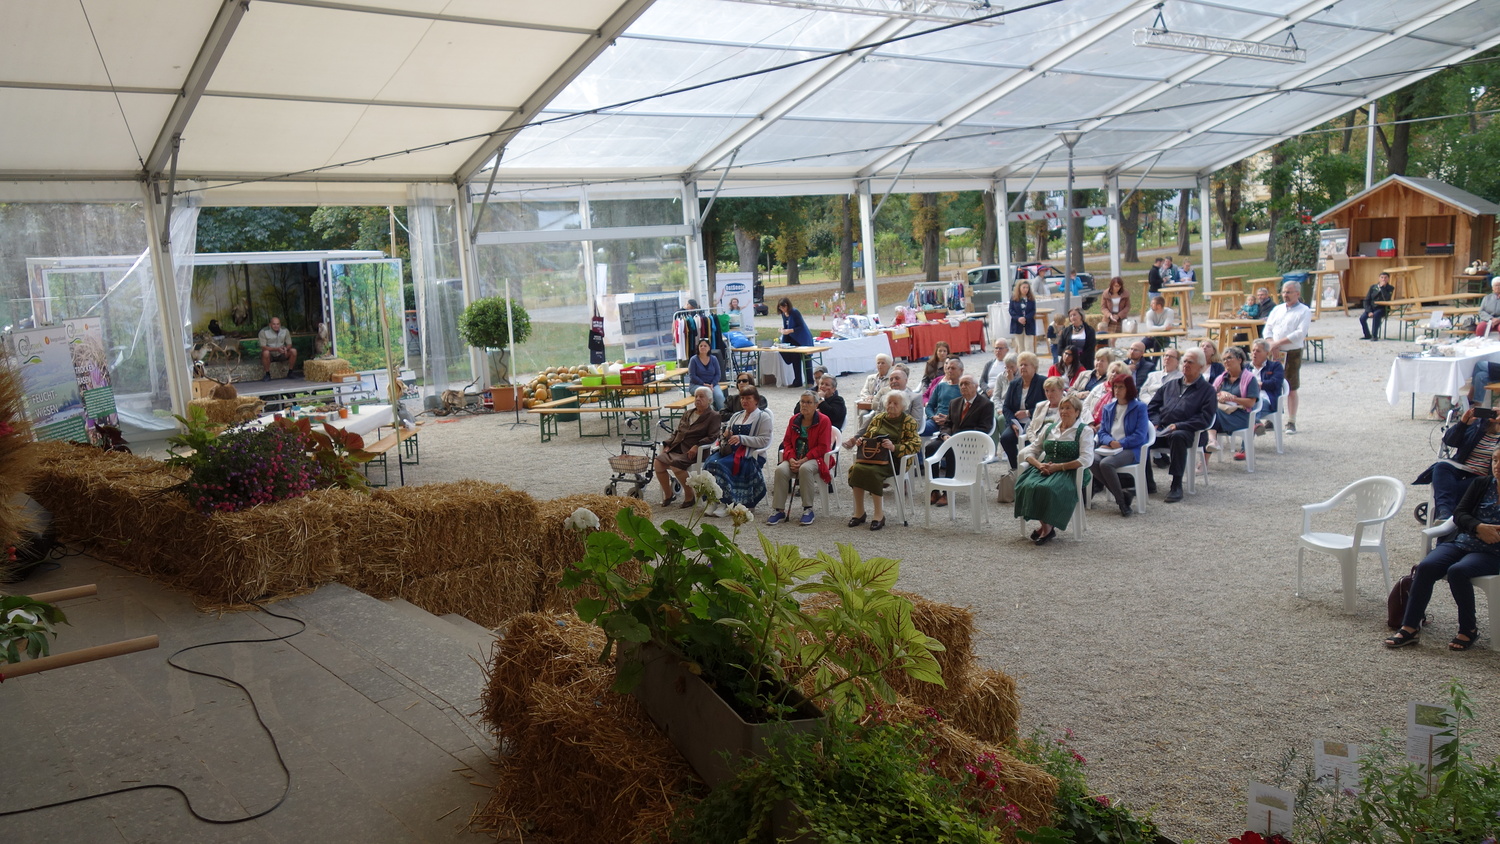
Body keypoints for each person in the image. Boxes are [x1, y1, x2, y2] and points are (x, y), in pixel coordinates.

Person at [1385, 448, 1500, 651]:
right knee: (1426, 566)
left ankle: (1468, 629)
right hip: (1463, 541)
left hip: (1492, 552)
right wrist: (1478, 527)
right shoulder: (1482, 484)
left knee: (1458, 571)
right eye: (1495, 460)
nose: (1497, 466)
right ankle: (1410, 627)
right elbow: (1459, 513)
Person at [1015, 395, 1094, 545]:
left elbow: (1086, 459)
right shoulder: (1049, 428)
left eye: (1068, 408)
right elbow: (1031, 450)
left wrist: (1058, 467)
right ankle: (1047, 527)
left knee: (1047, 488)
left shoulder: (1084, 431)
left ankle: (1046, 528)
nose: (1063, 411)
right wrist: (1039, 465)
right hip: (1046, 467)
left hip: (1070, 471)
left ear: (1077, 412)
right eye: (1061, 408)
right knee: (1025, 485)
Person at [845, 391, 921, 531]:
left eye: (895, 403)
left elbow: (916, 445)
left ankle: (879, 515)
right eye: (889, 402)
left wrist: (894, 447)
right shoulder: (879, 418)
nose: (891, 405)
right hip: (873, 457)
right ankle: (859, 512)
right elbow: (868, 435)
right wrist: (862, 440)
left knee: (873, 472)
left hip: (894, 461)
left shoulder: (908, 421)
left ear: (903, 406)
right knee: (856, 469)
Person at [1146, 348, 1215, 502]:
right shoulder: (1170, 385)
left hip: (1191, 433)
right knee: (1141, 436)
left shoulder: (1207, 391)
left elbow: (1205, 418)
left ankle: (1176, 485)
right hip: (1163, 430)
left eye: (1190, 362)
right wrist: (1155, 423)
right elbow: (1152, 407)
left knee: (1178, 436)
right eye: (1184, 361)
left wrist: (1179, 425)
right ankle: (1147, 481)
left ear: (1201, 367)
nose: (1186, 365)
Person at [1414, 407, 1500, 524]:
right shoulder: (1480, 425)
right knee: (1441, 466)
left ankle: (1445, 513)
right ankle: (1445, 514)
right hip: (1461, 468)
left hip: (1484, 476)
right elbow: (1449, 441)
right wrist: (1463, 423)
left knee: (1447, 489)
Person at [702, 386, 773, 517]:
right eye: (742, 398)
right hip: (730, 451)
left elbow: (764, 441)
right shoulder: (736, 416)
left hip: (750, 454)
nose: (744, 401)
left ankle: (726, 503)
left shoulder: (763, 417)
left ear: (756, 400)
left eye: (748, 398)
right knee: (710, 462)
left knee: (721, 465)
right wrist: (726, 435)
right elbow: (725, 436)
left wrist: (742, 438)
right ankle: (713, 500)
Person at [924, 373, 994, 506]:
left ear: (976, 386)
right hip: (950, 439)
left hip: (970, 443)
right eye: (961, 384)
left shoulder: (986, 404)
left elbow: (984, 428)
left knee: (952, 451)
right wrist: (944, 435)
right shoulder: (954, 402)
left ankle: (948, 492)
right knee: (930, 448)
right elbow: (947, 424)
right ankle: (934, 490)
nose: (963, 387)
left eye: (966, 384)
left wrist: (960, 437)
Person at [767, 391, 835, 527]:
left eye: (808, 402)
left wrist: (804, 459)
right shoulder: (794, 420)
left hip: (816, 458)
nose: (804, 405)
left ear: (816, 405)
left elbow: (823, 447)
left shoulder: (824, 421)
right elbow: (787, 442)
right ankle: (779, 510)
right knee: (780, 470)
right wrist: (791, 458)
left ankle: (808, 509)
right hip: (795, 457)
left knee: (805, 469)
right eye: (802, 402)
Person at [1092, 375, 1151, 517]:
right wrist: (1110, 442)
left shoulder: (1140, 407)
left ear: (1129, 389)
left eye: (1121, 387)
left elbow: (1140, 435)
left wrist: (1120, 444)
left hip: (1131, 449)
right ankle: (1123, 496)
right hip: (1110, 447)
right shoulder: (1108, 408)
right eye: (1115, 387)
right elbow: (1102, 432)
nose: (1117, 390)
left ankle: (1121, 504)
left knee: (1106, 464)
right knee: (1091, 459)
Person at [654, 387, 722, 508]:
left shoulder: (714, 416)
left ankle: (689, 495)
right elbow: (677, 432)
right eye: (696, 396)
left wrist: (697, 445)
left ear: (710, 400)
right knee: (658, 462)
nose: (698, 399)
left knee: (675, 464)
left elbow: (713, 436)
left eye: (701, 396)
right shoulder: (688, 413)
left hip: (695, 452)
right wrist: (668, 444)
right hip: (677, 447)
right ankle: (668, 494)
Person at [1264, 280, 1312, 433]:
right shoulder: (1277, 309)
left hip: (1292, 352)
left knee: (1291, 387)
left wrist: (1278, 343)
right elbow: (1268, 328)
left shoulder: (1304, 311)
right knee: (1272, 385)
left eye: (1289, 292)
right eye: (1284, 292)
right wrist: (1271, 343)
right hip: (1274, 352)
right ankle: (1272, 417)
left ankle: (1291, 421)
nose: (1285, 295)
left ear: (1297, 293)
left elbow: (1300, 333)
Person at [1206, 347, 1259, 455]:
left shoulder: (1250, 379)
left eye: (1229, 358)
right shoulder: (1221, 379)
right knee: (1207, 413)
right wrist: (1219, 397)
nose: (1226, 361)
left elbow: (1251, 403)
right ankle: (1210, 445)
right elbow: (1210, 396)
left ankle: (1212, 440)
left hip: (1241, 415)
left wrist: (1233, 398)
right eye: (1224, 359)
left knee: (1210, 414)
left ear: (1240, 360)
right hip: (1223, 413)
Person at [999, 352, 1046, 469]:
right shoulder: (1014, 384)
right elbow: (1006, 407)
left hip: (1035, 423)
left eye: (1026, 365)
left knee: (1029, 443)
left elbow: (1047, 405)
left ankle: (1031, 469)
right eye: (1021, 365)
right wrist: (1012, 423)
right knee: (1005, 439)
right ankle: (1016, 468)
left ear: (1034, 367)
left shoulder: (1042, 382)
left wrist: (1027, 412)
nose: (1023, 367)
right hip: (1017, 424)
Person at [776, 297, 814, 387]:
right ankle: (797, 381)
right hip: (792, 338)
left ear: (788, 305)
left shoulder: (795, 312)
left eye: (784, 307)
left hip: (802, 338)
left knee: (806, 360)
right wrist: (783, 330)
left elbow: (800, 326)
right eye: (781, 308)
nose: (783, 309)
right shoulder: (783, 314)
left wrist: (790, 330)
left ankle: (810, 381)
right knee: (795, 359)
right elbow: (786, 325)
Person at [1249, 338, 1284, 433]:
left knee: (1253, 404)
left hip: (1267, 401)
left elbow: (1276, 383)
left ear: (1267, 353)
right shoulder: (1246, 367)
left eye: (1258, 351)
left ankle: (1253, 425)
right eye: (1253, 350)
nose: (1254, 353)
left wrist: (1258, 385)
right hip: (1248, 399)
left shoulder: (1275, 366)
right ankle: (1256, 423)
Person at [923, 357, 964, 435]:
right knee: (914, 429)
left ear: (961, 371)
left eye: (953, 368)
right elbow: (929, 406)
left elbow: (968, 411)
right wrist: (933, 417)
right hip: (935, 421)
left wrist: (948, 418)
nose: (949, 371)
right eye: (948, 368)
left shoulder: (964, 389)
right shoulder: (941, 386)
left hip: (954, 424)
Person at [687, 338, 724, 410]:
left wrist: (712, 384)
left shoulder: (714, 359)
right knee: (706, 393)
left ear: (709, 348)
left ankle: (724, 413)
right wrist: (703, 384)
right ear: (698, 347)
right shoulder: (693, 359)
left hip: (712, 385)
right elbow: (692, 376)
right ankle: (709, 413)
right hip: (697, 385)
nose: (703, 347)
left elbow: (718, 374)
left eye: (705, 346)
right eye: (701, 346)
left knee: (719, 396)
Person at [258, 316, 299, 381]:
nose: (276, 326)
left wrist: (286, 348)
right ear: (270, 324)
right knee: (265, 353)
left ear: (280, 324)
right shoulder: (263, 332)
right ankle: (267, 374)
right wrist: (276, 349)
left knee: (293, 351)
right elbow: (263, 347)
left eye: (278, 324)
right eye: (274, 324)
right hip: (270, 354)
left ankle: (290, 372)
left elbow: (289, 344)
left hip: (282, 353)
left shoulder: (285, 330)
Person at [1359, 272, 1395, 341]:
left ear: (1388, 279)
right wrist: (1369, 311)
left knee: (1376, 315)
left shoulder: (1390, 288)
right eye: (1382, 277)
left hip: (1382, 308)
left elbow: (1386, 298)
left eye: (1385, 278)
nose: (1383, 279)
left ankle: (1374, 335)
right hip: (1372, 307)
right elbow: (1367, 300)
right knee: (1362, 318)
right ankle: (1367, 335)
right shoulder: (1373, 287)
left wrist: (1382, 288)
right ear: (1379, 279)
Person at [1010, 281, 1038, 352]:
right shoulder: (1014, 298)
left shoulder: (1031, 298)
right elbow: (1011, 310)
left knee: (1029, 346)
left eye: (1027, 288)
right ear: (1019, 288)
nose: (1025, 289)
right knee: (1020, 346)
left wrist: (1026, 318)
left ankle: (1029, 358)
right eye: (1024, 287)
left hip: (1029, 324)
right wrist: (1018, 318)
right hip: (1017, 324)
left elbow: (1033, 310)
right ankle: (1021, 358)